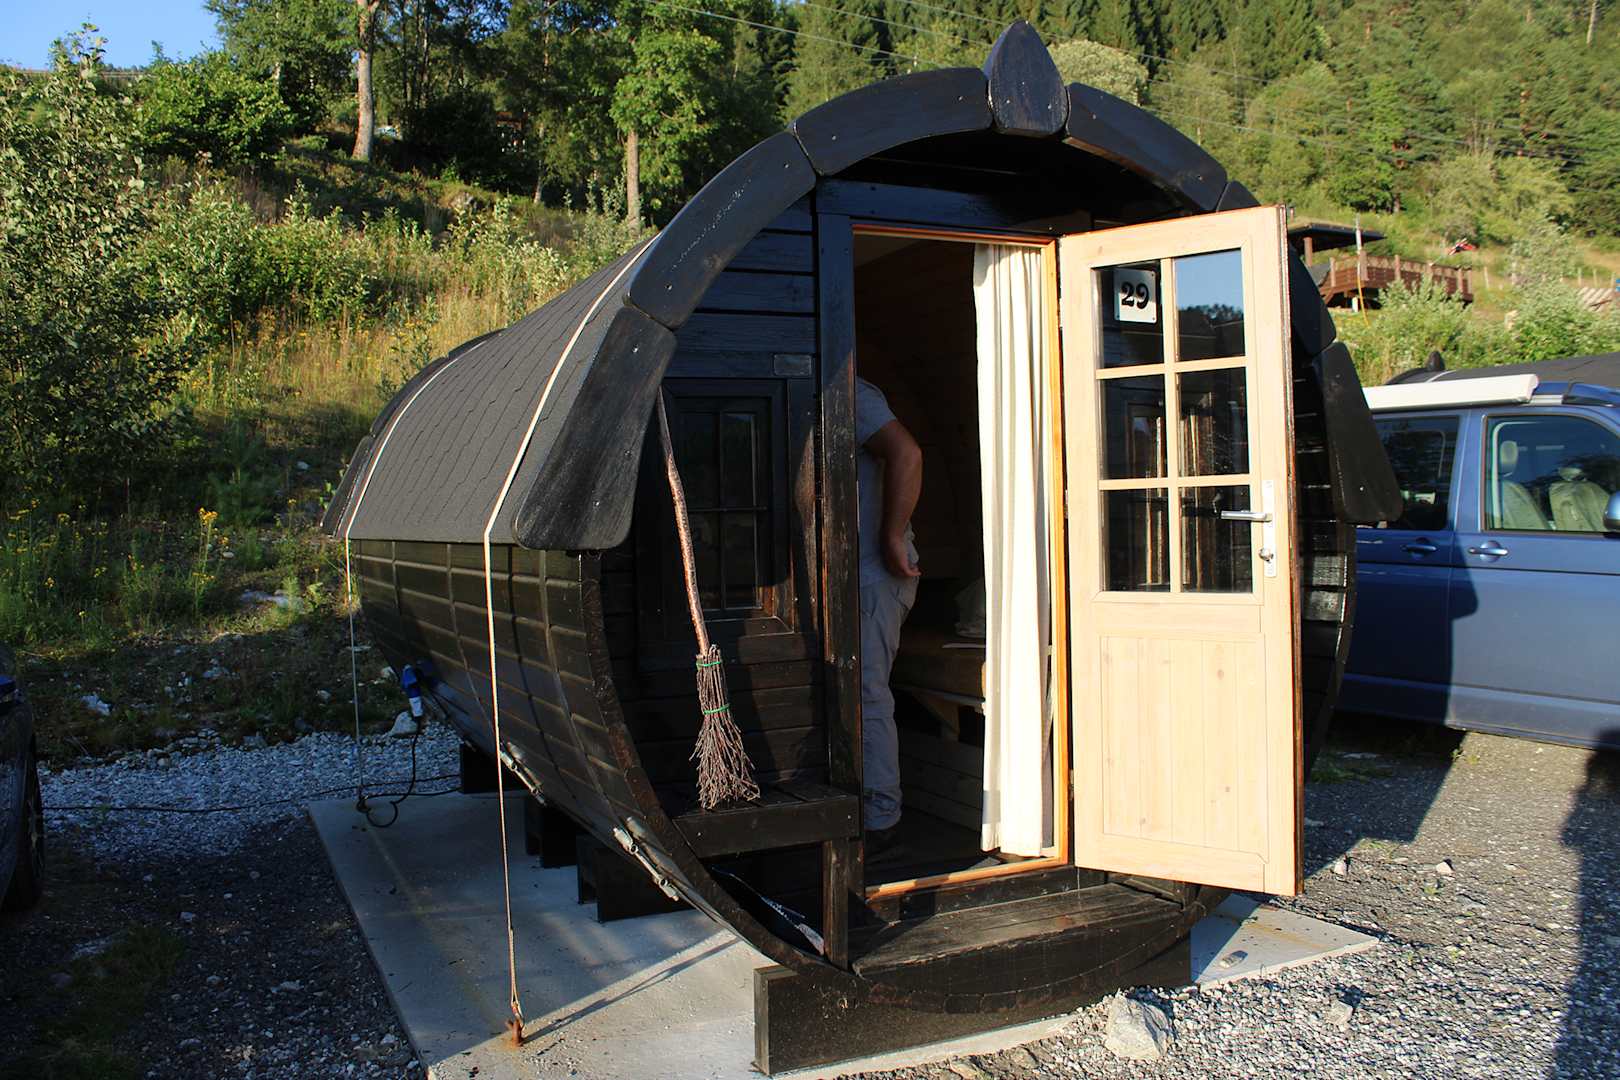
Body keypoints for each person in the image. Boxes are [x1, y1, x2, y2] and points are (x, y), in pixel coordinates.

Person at [855, 374, 923, 852]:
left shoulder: (851, 391)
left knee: (866, 693)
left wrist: (892, 536)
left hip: (876, 573)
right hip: (848, 575)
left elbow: (907, 452)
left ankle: (881, 821)